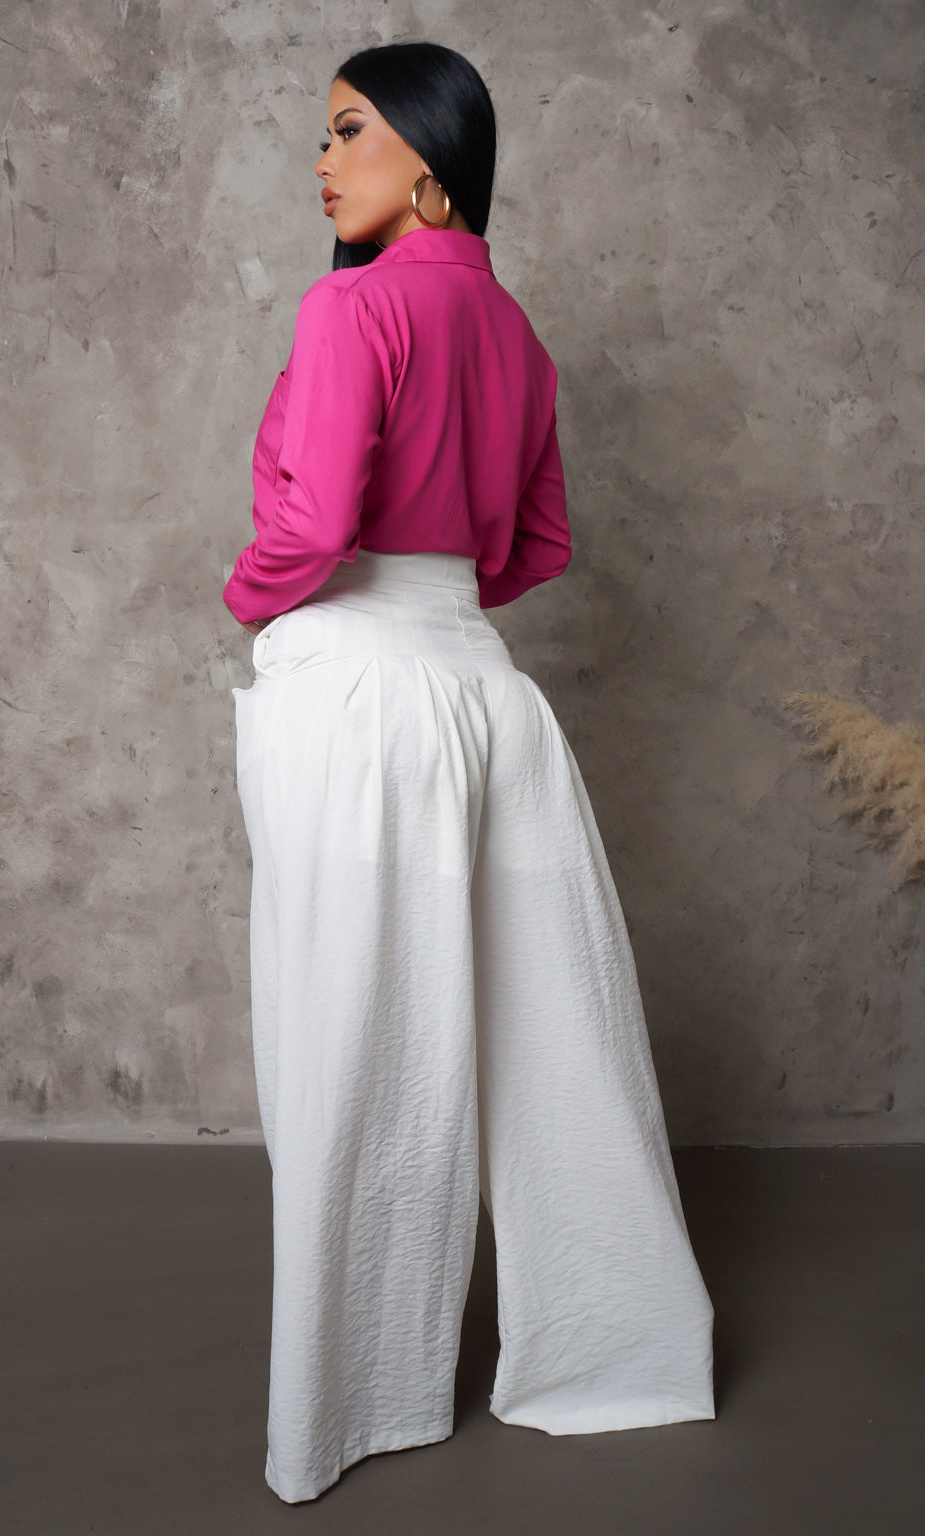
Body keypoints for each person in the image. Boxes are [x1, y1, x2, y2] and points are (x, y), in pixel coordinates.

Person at [223, 41, 714, 1506]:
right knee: (553, 1045)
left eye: (348, 131)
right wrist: (443, 600)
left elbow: (314, 526)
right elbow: (538, 547)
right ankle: (617, 1351)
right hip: (489, 697)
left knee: (352, 1042)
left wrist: (253, 600)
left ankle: (350, 1403)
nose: (322, 161)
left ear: (430, 163)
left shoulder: (351, 306)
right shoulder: (520, 338)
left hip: (359, 692)